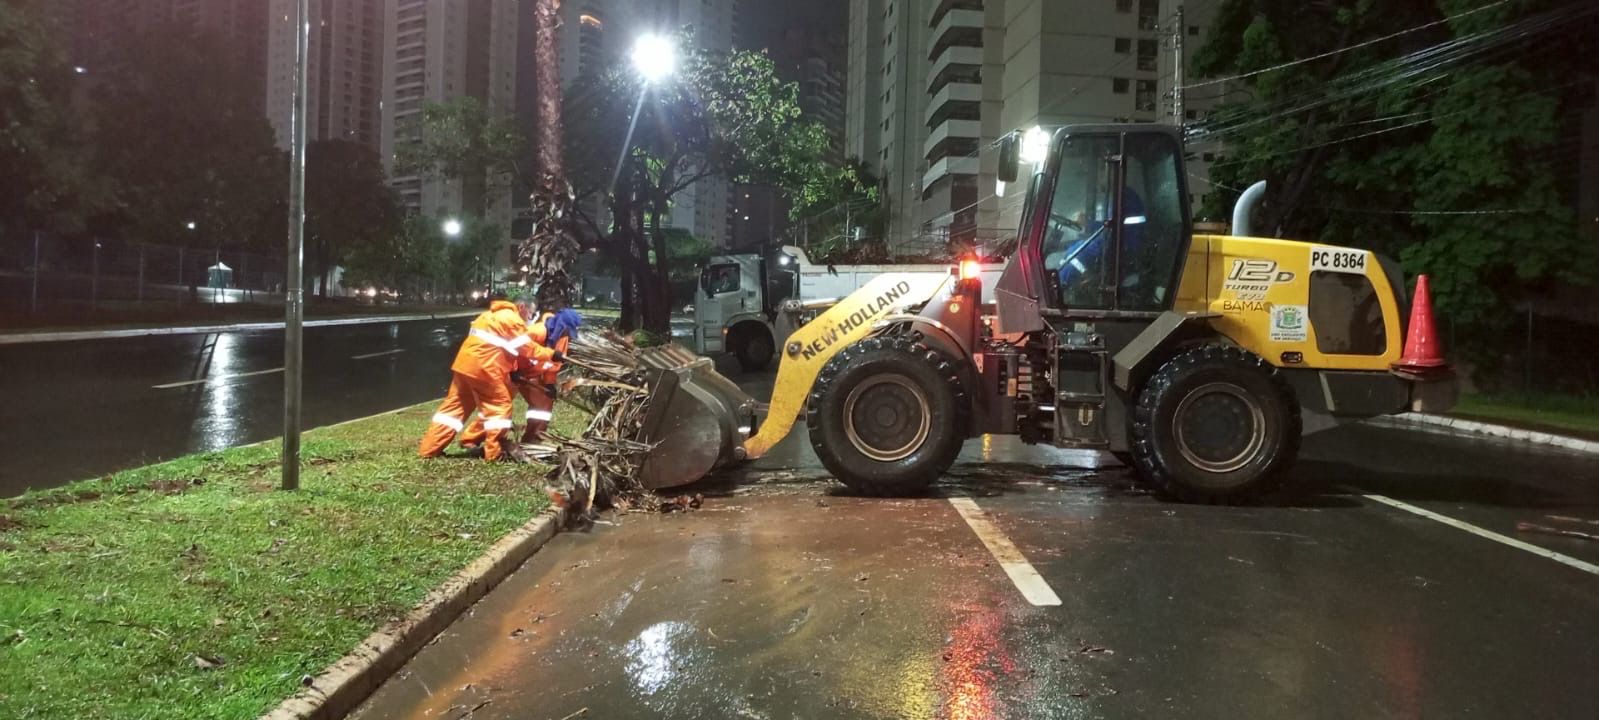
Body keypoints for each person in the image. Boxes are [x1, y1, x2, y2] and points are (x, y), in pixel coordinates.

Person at [418, 292, 562, 462]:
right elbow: (527, 348)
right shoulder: (512, 319)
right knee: (499, 407)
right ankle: (494, 452)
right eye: (530, 313)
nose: (529, 318)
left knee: (453, 409)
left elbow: (503, 346)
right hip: (486, 367)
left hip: (465, 365)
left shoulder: (488, 316)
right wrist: (552, 354)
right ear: (521, 307)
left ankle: (429, 449)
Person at [460, 306, 583, 446]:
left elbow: (553, 364)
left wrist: (549, 382)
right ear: (561, 325)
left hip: (532, 375)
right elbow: (512, 347)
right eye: (567, 329)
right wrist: (513, 369)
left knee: (543, 405)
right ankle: (471, 439)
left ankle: (533, 439)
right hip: (513, 373)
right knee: (498, 407)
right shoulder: (537, 331)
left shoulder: (562, 339)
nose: (568, 334)